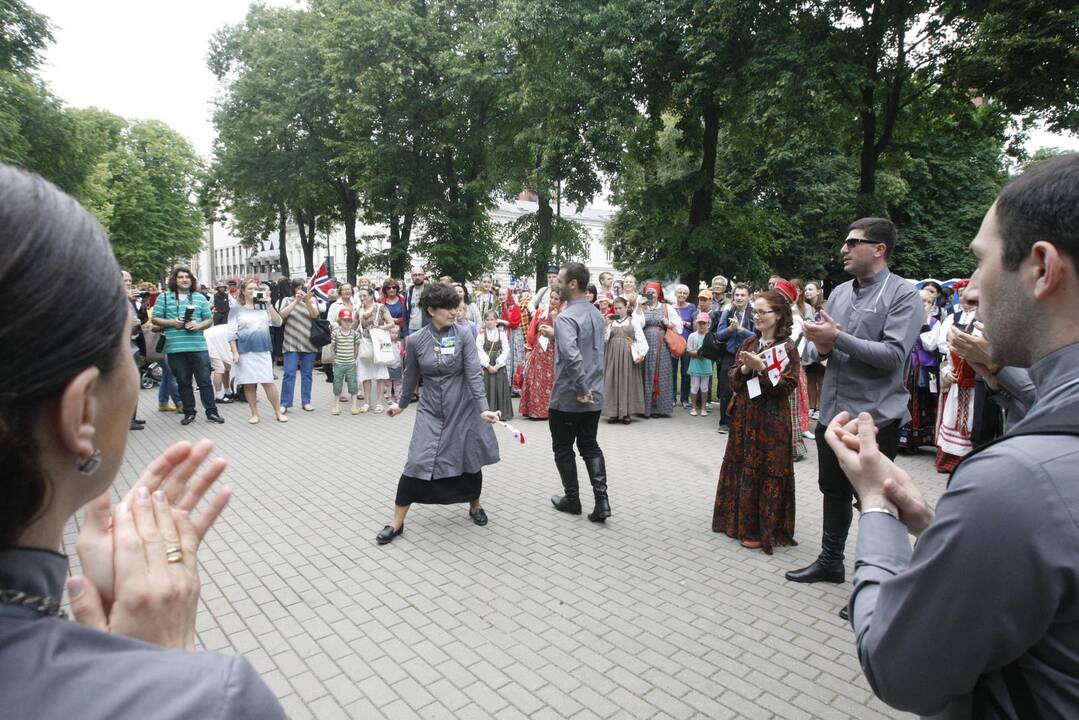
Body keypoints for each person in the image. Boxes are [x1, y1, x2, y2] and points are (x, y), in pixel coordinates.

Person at [0, 164, 285, 719]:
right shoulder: (211, 701)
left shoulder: (197, 305)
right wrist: (158, 676)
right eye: (125, 345)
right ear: (82, 411)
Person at [824, 153, 1079, 719]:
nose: (974, 286)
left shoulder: (1016, 479)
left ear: (1041, 267)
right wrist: (925, 518)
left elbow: (899, 667)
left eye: (981, 262)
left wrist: (879, 509)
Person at [784, 217, 923, 598]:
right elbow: (822, 348)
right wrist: (821, 344)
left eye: (853, 242)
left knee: (874, 501)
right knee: (832, 489)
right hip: (833, 412)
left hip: (874, 419)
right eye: (845, 242)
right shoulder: (841, 293)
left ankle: (876, 583)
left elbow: (894, 356)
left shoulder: (903, 295)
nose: (843, 249)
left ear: (879, 249)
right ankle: (831, 562)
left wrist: (838, 338)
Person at [380, 283, 501, 543]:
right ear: (431, 310)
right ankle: (397, 522)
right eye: (448, 308)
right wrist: (400, 404)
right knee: (416, 460)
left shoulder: (464, 334)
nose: (454, 312)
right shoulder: (415, 340)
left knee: (469, 457)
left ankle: (475, 505)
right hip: (430, 408)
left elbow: (473, 374)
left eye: (456, 307)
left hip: (464, 407)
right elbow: (410, 375)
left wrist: (483, 409)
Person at [712, 290, 800, 552]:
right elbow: (734, 381)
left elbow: (787, 386)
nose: (758, 316)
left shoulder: (788, 348)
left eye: (763, 312)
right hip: (745, 416)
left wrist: (762, 370)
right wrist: (744, 369)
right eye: (756, 312)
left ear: (779, 315)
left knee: (765, 468)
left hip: (771, 421)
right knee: (742, 463)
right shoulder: (750, 343)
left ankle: (763, 529)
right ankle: (737, 522)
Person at [548, 262, 610, 522]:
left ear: (573, 284)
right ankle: (602, 502)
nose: (556, 284)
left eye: (560, 280)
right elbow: (588, 350)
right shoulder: (596, 313)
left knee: (563, 448)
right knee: (589, 445)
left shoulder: (566, 317)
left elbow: (573, 357)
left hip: (570, 394)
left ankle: (572, 499)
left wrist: (582, 389)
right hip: (595, 392)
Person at [151, 267, 225, 426]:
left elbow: (208, 320)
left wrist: (197, 326)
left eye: (187, 277)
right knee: (183, 382)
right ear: (174, 280)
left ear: (191, 280)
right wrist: (172, 323)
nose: (184, 279)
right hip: (175, 348)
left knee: (204, 381)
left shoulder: (199, 297)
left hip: (198, 346)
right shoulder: (164, 297)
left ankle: (212, 412)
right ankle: (189, 412)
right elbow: (155, 319)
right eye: (180, 277)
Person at [228, 280, 286, 424]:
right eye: (250, 288)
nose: (253, 290)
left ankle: (278, 412)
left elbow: (278, 322)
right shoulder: (236, 310)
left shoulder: (263, 307)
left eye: (255, 288)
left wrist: (269, 305)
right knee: (249, 384)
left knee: (268, 382)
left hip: (263, 350)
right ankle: (254, 413)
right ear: (243, 291)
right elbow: (231, 334)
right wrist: (235, 352)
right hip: (244, 352)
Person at [897, 288, 941, 451]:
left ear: (932, 305)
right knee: (903, 399)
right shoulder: (905, 318)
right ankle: (901, 439)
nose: (924, 305)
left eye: (927, 301)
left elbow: (931, 344)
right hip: (906, 365)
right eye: (920, 301)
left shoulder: (934, 323)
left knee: (922, 400)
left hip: (923, 367)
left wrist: (921, 328)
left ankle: (918, 439)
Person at [636, 281, 683, 418]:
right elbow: (635, 324)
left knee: (661, 373)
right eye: (648, 292)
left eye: (653, 292)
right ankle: (643, 408)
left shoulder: (666, 307)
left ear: (658, 294)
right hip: (644, 344)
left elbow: (679, 327)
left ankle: (658, 408)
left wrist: (670, 323)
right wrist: (639, 307)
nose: (650, 294)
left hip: (662, 346)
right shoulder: (641, 307)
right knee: (644, 373)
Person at [715, 284, 755, 432]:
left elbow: (757, 335)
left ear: (748, 297)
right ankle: (724, 422)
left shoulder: (754, 312)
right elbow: (719, 335)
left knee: (747, 389)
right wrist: (731, 329)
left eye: (742, 295)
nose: (739, 298)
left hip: (748, 356)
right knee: (726, 388)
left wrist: (741, 330)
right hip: (729, 355)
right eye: (736, 295)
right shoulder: (728, 311)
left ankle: (744, 422)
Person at [602, 296, 646, 424]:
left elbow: (640, 338)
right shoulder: (611, 322)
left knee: (628, 380)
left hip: (628, 355)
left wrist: (641, 353)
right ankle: (613, 412)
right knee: (613, 380)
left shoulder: (633, 321)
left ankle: (627, 412)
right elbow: (605, 339)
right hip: (613, 355)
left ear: (626, 307)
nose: (618, 310)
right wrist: (607, 326)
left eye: (620, 308)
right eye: (616, 308)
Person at [519, 288, 562, 419]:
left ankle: (548, 410)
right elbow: (532, 329)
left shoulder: (563, 314)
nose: (553, 301)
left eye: (556, 299)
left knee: (550, 379)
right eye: (552, 298)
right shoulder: (541, 311)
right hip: (539, 349)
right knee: (535, 378)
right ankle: (534, 410)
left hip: (553, 350)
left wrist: (555, 320)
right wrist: (529, 348)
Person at [278, 280, 320, 413]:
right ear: (293, 289)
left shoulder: (312, 300)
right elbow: (281, 316)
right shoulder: (287, 300)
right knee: (289, 373)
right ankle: (285, 403)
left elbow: (315, 315)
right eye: (298, 288)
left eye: (303, 288)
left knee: (307, 374)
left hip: (309, 342)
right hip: (291, 342)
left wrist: (307, 301)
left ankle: (306, 402)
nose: (300, 290)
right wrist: (296, 301)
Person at [355, 287, 394, 413]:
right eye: (360, 296)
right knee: (365, 375)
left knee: (380, 375)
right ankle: (367, 403)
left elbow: (391, 323)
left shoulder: (380, 308)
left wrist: (381, 327)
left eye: (365, 296)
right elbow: (353, 327)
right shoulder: (359, 310)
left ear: (372, 295)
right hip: (365, 345)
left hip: (378, 344)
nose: (362, 298)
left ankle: (379, 403)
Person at [123, 270, 148, 431]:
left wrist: (142, 305)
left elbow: (142, 319)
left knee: (135, 382)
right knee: (125, 385)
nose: (127, 283)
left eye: (129, 280)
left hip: (135, 344)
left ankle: (133, 417)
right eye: (124, 280)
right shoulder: (114, 299)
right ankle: (125, 420)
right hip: (122, 348)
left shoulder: (132, 299)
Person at [477, 310, 513, 420]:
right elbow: (478, 350)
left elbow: (506, 350)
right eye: (487, 320)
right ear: (484, 321)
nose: (489, 322)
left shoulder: (502, 334)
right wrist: (487, 365)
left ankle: (503, 412)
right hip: (487, 365)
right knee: (487, 386)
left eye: (492, 319)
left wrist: (498, 364)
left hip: (499, 365)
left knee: (499, 387)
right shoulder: (481, 335)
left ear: (496, 321)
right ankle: (488, 411)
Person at [797, 280, 825, 417]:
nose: (807, 292)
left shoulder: (825, 306)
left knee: (821, 379)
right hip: (807, 348)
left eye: (810, 289)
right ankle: (811, 407)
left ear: (818, 291)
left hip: (821, 346)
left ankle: (820, 408)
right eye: (806, 290)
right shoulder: (803, 307)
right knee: (811, 378)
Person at [330, 309, 360, 415]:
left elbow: (356, 347)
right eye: (344, 320)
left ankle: (354, 406)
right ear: (340, 321)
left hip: (351, 363)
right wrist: (334, 359)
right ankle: (336, 406)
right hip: (339, 363)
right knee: (337, 383)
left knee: (353, 384)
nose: (347, 322)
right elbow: (333, 347)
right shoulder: (335, 333)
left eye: (349, 320)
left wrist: (354, 358)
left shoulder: (355, 334)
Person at [671, 284, 697, 408]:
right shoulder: (670, 307)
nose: (682, 295)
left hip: (687, 343)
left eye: (684, 293)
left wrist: (684, 323)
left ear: (687, 295)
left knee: (686, 372)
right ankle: (672, 397)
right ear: (675, 294)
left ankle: (684, 398)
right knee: (672, 371)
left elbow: (695, 326)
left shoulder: (692, 307)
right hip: (673, 343)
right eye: (680, 292)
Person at [498, 286, 525, 396]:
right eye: (500, 294)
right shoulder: (501, 306)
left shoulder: (515, 307)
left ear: (508, 294)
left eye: (504, 294)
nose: (501, 296)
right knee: (505, 358)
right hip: (504, 334)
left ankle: (515, 386)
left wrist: (501, 321)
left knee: (515, 358)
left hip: (513, 335)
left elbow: (514, 324)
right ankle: (506, 385)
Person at [685, 313, 714, 417]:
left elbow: (713, 351)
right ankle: (693, 407)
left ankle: (703, 408)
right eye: (700, 323)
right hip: (695, 364)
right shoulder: (692, 336)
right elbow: (689, 350)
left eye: (704, 323)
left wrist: (706, 353)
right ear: (696, 323)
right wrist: (698, 353)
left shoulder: (710, 336)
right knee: (695, 386)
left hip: (706, 365)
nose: (702, 325)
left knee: (704, 387)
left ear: (708, 324)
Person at [404, 266, 429, 337]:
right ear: (411, 277)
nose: (417, 277)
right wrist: (406, 332)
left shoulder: (430, 290)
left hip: (427, 328)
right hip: (411, 329)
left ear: (424, 275)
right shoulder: (409, 292)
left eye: (419, 274)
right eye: (415, 275)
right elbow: (405, 312)